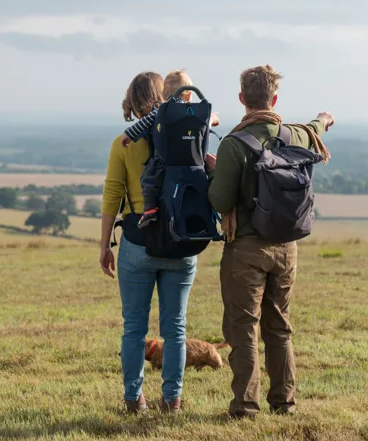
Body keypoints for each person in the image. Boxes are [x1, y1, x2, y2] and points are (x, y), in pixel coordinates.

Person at [206, 65, 334, 420]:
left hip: (246, 248)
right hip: (287, 247)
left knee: (243, 327)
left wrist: (215, 171)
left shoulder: (234, 144)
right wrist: (324, 119)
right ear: (274, 98)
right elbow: (314, 130)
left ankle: (246, 407)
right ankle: (284, 403)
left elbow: (219, 200)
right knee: (279, 327)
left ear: (242, 99)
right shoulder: (294, 136)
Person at [99, 70, 198, 414]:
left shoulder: (122, 143)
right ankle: (172, 400)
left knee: (134, 328)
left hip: (138, 240)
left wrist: (103, 246)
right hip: (180, 240)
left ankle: (133, 399)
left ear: (131, 100)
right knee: (175, 328)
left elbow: (113, 195)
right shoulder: (188, 134)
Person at [119, 69, 219, 228]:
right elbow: (208, 122)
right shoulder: (196, 113)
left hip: (165, 162)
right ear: (189, 95)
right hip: (193, 163)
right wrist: (213, 118)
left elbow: (144, 124)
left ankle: (150, 209)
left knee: (148, 180)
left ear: (164, 93)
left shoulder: (163, 110)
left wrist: (128, 135)